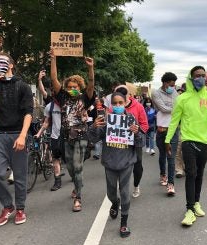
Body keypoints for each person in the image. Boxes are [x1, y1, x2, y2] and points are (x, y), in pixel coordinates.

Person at [165, 66, 207, 226]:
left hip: (204, 141)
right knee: (191, 173)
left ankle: (196, 202)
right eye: (197, 76)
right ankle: (189, 210)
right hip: (188, 141)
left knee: (199, 174)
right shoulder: (182, 98)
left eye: (203, 75)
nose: (201, 78)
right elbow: (174, 121)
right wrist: (168, 140)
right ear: (191, 78)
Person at [0, 52, 33, 226]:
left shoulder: (23, 86)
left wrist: (23, 136)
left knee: (19, 175)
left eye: (2, 61)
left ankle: (20, 208)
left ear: (11, 65)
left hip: (18, 133)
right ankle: (7, 206)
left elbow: (28, 113)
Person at [88, 92, 143, 238]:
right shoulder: (106, 121)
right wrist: (93, 126)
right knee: (111, 192)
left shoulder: (131, 120)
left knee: (125, 192)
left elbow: (139, 144)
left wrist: (137, 133)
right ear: (111, 105)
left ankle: (124, 222)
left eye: (120, 103)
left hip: (126, 162)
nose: (118, 106)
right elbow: (93, 139)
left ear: (126, 103)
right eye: (115, 103)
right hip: (110, 162)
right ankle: (114, 202)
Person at [50, 48, 94, 212]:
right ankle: (77, 185)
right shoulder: (63, 98)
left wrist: (90, 68)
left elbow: (91, 84)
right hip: (66, 137)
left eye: (75, 86)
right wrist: (53, 59)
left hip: (81, 137)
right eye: (69, 86)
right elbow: (54, 79)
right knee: (69, 167)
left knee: (77, 166)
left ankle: (78, 198)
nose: (71, 88)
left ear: (79, 87)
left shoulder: (85, 98)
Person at [104, 85, 149, 198]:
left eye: (124, 92)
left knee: (137, 165)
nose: (121, 94)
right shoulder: (112, 108)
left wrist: (136, 130)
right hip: (119, 144)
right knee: (121, 169)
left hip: (135, 142)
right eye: (118, 92)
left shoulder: (138, 106)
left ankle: (136, 185)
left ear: (129, 94)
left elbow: (145, 125)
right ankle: (122, 195)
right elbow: (108, 124)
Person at [152, 72, 179, 196]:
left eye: (174, 85)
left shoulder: (175, 93)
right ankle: (163, 174)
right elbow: (163, 108)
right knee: (162, 155)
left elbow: (179, 106)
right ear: (165, 83)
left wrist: (177, 110)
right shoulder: (156, 93)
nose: (172, 87)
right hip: (161, 129)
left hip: (173, 130)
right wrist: (176, 110)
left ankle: (171, 184)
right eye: (171, 85)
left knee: (171, 156)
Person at [34, 99, 63, 191]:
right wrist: (38, 133)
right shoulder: (49, 106)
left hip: (68, 137)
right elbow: (46, 122)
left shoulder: (70, 104)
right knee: (55, 159)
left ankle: (75, 175)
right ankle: (57, 181)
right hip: (55, 137)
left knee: (71, 163)